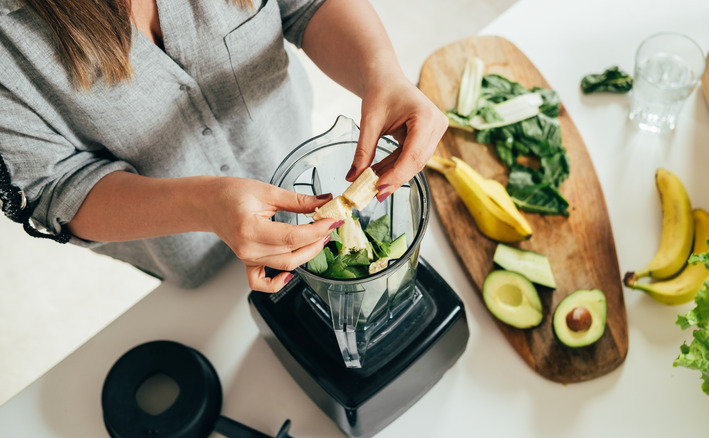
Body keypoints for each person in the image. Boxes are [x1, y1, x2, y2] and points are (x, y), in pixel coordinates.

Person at [0, 0, 447, 292]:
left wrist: (382, 71)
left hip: (288, 151)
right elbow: (54, 187)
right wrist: (205, 206)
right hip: (183, 247)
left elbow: (307, 5)